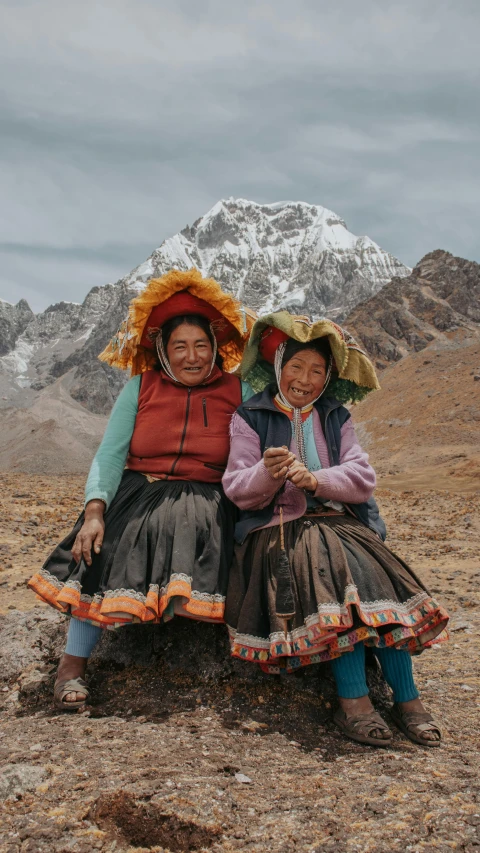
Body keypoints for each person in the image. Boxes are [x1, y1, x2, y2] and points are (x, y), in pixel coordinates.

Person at [28, 269, 255, 710]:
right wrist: (95, 511)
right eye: (180, 347)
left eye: (201, 345)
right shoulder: (141, 386)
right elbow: (111, 454)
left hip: (206, 496)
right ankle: (70, 667)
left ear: (216, 349)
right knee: (99, 547)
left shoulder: (239, 390)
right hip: (139, 490)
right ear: (163, 353)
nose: (192, 356)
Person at [222, 312, 449, 747]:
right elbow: (238, 490)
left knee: (378, 577)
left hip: (340, 523)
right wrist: (268, 474)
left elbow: (362, 478)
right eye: (296, 367)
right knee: (336, 579)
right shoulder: (249, 417)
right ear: (278, 368)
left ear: (327, 378)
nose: (305, 379)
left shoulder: (335, 416)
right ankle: (354, 704)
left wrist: (316, 480)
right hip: (281, 528)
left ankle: (409, 700)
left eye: (317, 370)